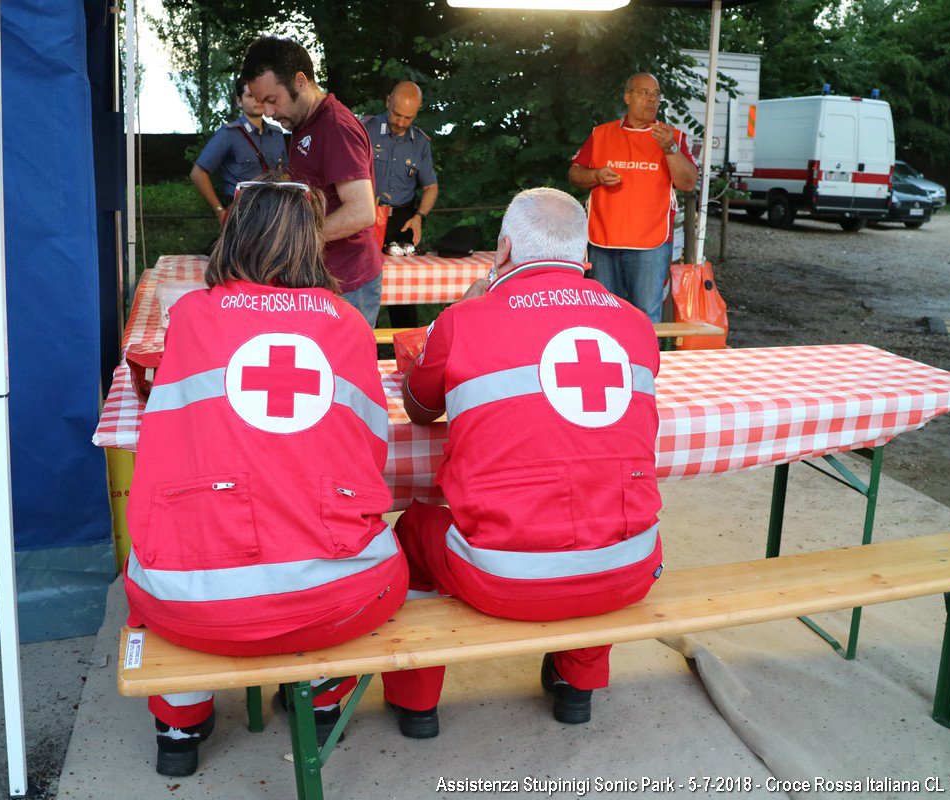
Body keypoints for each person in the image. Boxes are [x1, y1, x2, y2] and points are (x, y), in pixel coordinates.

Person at [123, 176, 409, 776]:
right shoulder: (347, 324)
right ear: (311, 244)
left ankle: (179, 723)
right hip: (336, 598)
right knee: (383, 550)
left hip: (192, 606)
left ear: (233, 236)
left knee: (167, 551)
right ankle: (325, 694)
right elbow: (372, 450)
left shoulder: (191, 317)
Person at [380, 188, 664, 739]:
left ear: (504, 250)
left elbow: (419, 409)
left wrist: (460, 311)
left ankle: (417, 703)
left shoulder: (468, 320)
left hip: (500, 578)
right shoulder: (635, 323)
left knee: (415, 528)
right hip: (631, 571)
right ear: (585, 257)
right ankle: (577, 687)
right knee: (601, 508)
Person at [241, 37, 384, 326]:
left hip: (347, 283)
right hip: (320, 274)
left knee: (341, 369)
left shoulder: (336, 127)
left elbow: (362, 212)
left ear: (300, 81)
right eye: (261, 102)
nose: (267, 113)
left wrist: (294, 240)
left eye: (272, 100)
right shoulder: (306, 123)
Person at [569, 73, 698, 322]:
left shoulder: (671, 137)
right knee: (603, 314)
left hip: (651, 243)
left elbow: (688, 182)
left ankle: (646, 362)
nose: (651, 99)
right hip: (603, 241)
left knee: (646, 316)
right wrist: (596, 176)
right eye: (644, 93)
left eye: (656, 94)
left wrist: (670, 149)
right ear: (627, 97)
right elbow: (574, 174)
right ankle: (608, 362)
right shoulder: (602, 134)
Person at [363, 81, 439, 328]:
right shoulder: (364, 130)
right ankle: (359, 346)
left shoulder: (421, 143)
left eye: (408, 117)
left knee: (405, 302)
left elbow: (430, 188)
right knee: (361, 288)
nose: (401, 122)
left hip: (401, 221)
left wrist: (420, 217)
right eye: (396, 114)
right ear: (387, 102)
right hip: (365, 218)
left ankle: (405, 356)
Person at [190, 76, 288, 226]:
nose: (257, 100)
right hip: (242, 216)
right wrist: (219, 211)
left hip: (275, 216)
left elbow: (286, 175)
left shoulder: (276, 134)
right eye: (250, 95)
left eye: (259, 94)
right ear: (239, 101)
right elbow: (198, 174)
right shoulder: (229, 134)